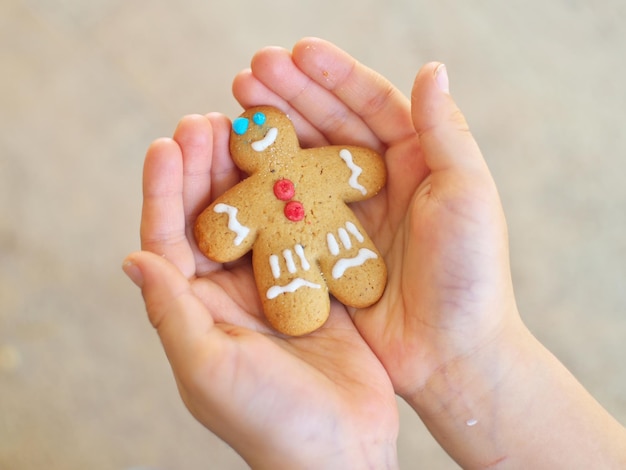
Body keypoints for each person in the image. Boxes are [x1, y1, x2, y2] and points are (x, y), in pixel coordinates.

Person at [122, 37, 626, 469]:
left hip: (343, 238)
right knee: (294, 281)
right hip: (284, 260)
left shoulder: (320, 164)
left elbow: (357, 169)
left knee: (352, 265)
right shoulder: (252, 194)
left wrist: (471, 355)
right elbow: (221, 228)